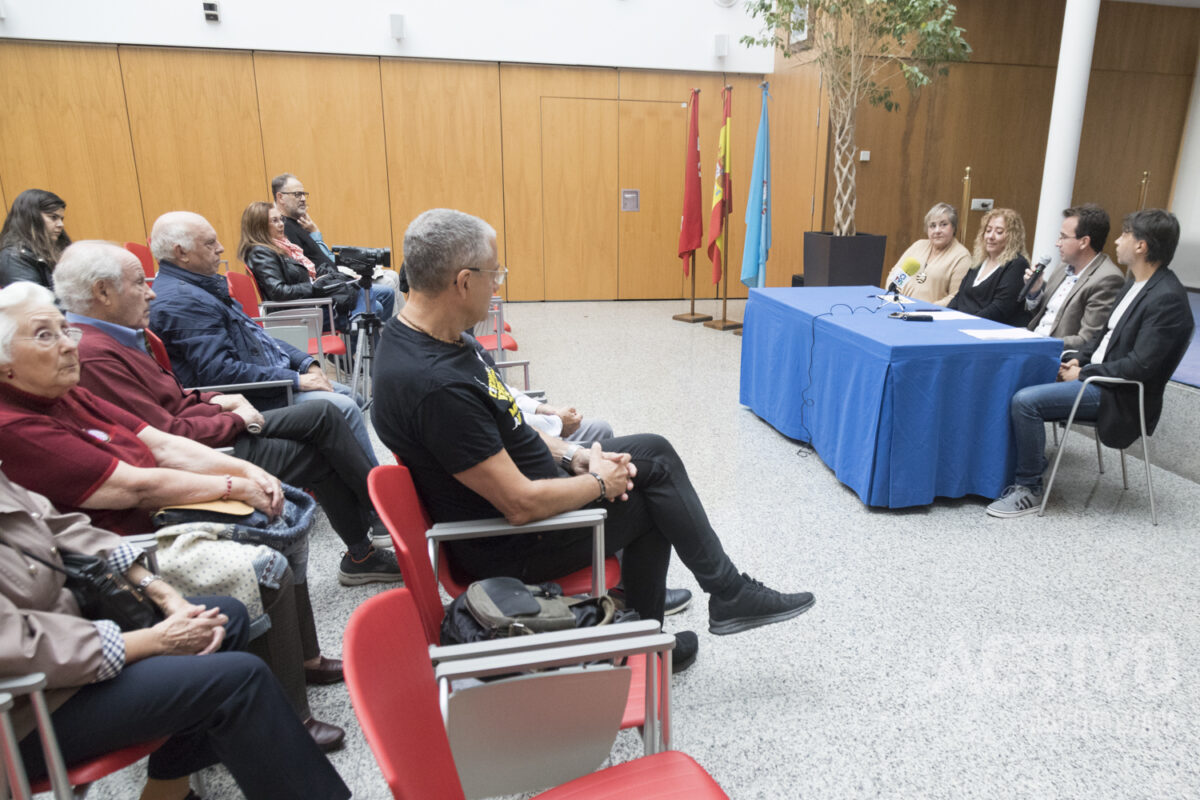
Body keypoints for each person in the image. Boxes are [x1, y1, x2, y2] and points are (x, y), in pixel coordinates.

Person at [374, 209, 816, 670]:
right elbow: (519, 503)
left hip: (529, 503)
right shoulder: (435, 387)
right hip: (511, 544)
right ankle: (684, 619)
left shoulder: (435, 339)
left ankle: (700, 607)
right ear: (463, 282)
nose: (499, 284)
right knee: (650, 499)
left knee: (653, 453)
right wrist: (601, 484)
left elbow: (505, 431)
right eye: (494, 274)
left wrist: (576, 456)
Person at [0, 281, 348, 750]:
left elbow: (158, 442)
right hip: (129, 541)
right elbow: (131, 487)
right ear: (3, 364)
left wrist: (246, 471)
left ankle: (303, 658)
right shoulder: (13, 425)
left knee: (281, 510)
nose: (67, 343)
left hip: (159, 516)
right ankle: (291, 714)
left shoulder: (62, 390)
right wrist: (231, 485)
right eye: (45, 335)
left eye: (65, 329)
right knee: (265, 562)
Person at [54, 240, 401, 586]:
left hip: (207, 424)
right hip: (205, 451)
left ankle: (378, 525)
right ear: (102, 292)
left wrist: (221, 400)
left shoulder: (113, 336)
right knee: (320, 442)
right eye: (138, 283)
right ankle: (377, 534)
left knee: (325, 416)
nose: (151, 293)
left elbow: (173, 399)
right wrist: (233, 416)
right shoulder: (96, 353)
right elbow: (165, 435)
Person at [0, 473, 350, 800]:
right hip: (31, 704)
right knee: (239, 680)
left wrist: (164, 594)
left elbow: (62, 529)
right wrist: (158, 640)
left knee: (225, 620)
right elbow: (23, 647)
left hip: (72, 636)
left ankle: (166, 790)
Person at [987, 209, 1194, 518]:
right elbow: (1099, 340)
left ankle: (1029, 487)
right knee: (1008, 380)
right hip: (1094, 374)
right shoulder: (1133, 283)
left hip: (1116, 393)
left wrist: (1085, 372)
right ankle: (996, 468)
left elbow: (1140, 366)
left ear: (1142, 246)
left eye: (1126, 234)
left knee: (1026, 401)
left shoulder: (1167, 298)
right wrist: (1076, 361)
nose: (1119, 240)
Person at [145, 211, 379, 462]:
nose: (221, 249)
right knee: (344, 406)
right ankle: (369, 492)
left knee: (350, 397)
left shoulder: (200, 287)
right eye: (210, 243)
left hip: (268, 383)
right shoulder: (184, 301)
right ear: (181, 252)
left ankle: (347, 480)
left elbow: (257, 336)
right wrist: (296, 380)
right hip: (253, 396)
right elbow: (219, 373)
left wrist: (305, 363)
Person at [237, 201, 392, 329]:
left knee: (385, 293)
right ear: (259, 227)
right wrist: (316, 286)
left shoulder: (283, 245)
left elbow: (301, 274)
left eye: (281, 219)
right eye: (274, 221)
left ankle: (365, 351)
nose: (281, 224)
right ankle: (362, 352)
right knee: (371, 304)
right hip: (300, 312)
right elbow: (278, 291)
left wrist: (324, 275)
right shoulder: (260, 252)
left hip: (312, 301)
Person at [272, 173, 401, 313]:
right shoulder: (285, 229)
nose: (303, 199)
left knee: (390, 280)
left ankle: (402, 331)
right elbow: (307, 271)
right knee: (386, 290)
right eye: (297, 194)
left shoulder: (299, 224)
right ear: (280, 197)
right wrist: (346, 277)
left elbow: (322, 256)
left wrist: (315, 232)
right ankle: (397, 332)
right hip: (328, 288)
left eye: (303, 194)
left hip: (336, 279)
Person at [1024, 204, 1125, 350]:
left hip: (1058, 355)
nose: (1057, 243)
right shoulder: (1062, 267)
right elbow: (1044, 316)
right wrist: (1034, 292)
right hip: (1034, 343)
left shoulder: (1107, 279)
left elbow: (1088, 339)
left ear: (1084, 242)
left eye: (1063, 237)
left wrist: (1041, 343)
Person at [948, 207, 1029, 325]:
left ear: (1013, 237)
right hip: (964, 325)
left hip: (989, 331)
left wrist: (966, 323)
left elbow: (1000, 309)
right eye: (988, 230)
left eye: (999, 232)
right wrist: (945, 317)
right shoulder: (979, 262)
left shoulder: (1017, 265)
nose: (991, 236)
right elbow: (959, 297)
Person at [885, 202, 972, 306]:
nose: (937, 230)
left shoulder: (961, 256)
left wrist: (926, 308)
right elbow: (894, 277)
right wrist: (894, 298)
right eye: (932, 225)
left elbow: (956, 296)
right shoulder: (918, 245)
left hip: (930, 315)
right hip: (900, 308)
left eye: (943, 224)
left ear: (953, 227)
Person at [0, 189, 71, 290]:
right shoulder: (13, 256)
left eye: (61, 219)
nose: (61, 225)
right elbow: (32, 303)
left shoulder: (60, 246)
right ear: (31, 218)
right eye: (53, 217)